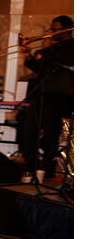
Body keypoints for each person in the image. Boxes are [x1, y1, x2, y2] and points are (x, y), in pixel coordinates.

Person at [20, 15, 74, 180]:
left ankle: (48, 169)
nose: (50, 32)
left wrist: (45, 49)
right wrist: (28, 55)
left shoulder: (72, 47)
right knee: (28, 129)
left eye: (54, 29)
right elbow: (39, 68)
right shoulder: (49, 50)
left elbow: (61, 60)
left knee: (50, 134)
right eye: (50, 29)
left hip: (59, 98)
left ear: (66, 30)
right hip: (40, 95)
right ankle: (30, 166)